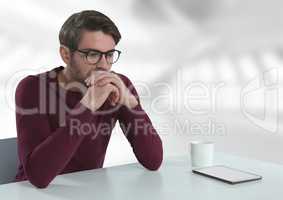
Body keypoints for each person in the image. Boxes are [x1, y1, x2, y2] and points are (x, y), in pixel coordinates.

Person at [14, 10, 163, 188]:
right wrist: (88, 105)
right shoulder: (33, 88)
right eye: (92, 54)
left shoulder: (116, 85)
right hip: (30, 194)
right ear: (66, 54)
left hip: (88, 191)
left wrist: (131, 104)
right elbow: (39, 176)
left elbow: (153, 160)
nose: (103, 65)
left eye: (109, 54)